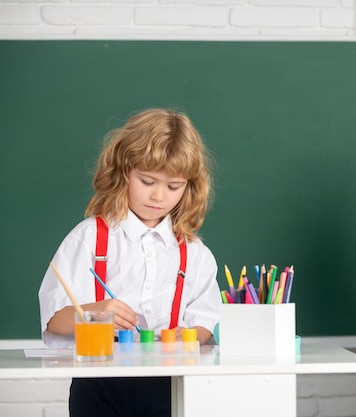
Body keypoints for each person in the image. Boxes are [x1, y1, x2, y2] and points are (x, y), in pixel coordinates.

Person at [38, 108, 221, 417]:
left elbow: (207, 323)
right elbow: (53, 322)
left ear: (189, 186)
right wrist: (96, 313)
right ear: (124, 171)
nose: (159, 195)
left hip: (171, 381)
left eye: (173, 186)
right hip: (98, 382)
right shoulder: (89, 239)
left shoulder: (194, 252)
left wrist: (191, 334)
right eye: (147, 181)